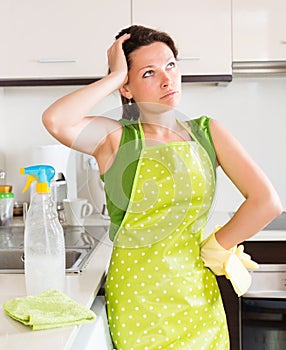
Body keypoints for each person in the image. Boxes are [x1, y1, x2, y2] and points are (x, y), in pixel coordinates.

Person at [42, 25, 282, 349]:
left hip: (197, 298)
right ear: (128, 88)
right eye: (149, 73)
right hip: (138, 304)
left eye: (170, 65)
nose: (167, 79)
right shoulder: (116, 140)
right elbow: (56, 120)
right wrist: (114, 77)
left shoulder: (207, 133)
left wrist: (219, 244)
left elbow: (266, 201)